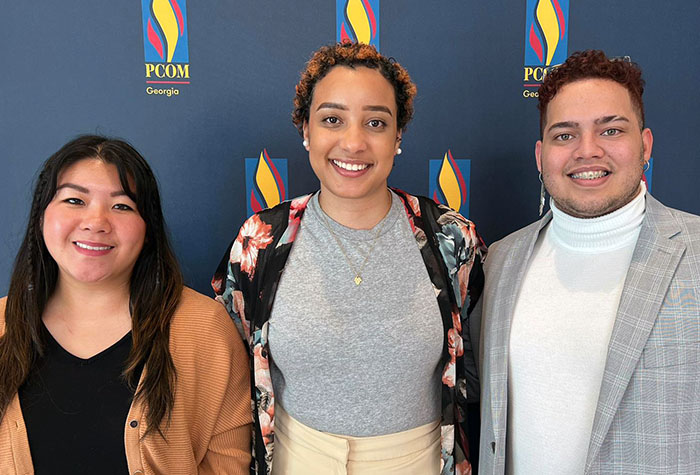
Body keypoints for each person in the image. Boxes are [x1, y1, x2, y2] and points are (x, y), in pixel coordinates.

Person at [213, 42, 486, 475]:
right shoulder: (260, 241)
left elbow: (475, 363)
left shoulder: (452, 239)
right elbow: (228, 364)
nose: (353, 142)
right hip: (294, 458)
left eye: (375, 122)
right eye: (332, 120)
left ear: (398, 136)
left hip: (416, 461)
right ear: (306, 130)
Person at [478, 50, 700, 474]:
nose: (587, 150)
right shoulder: (500, 260)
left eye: (611, 130)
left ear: (645, 145)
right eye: (565, 135)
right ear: (541, 157)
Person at [0, 135, 252, 474]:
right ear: (41, 217)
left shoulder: (204, 328)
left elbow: (228, 463)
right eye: (75, 200)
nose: (96, 222)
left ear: (147, 228)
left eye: (122, 206)